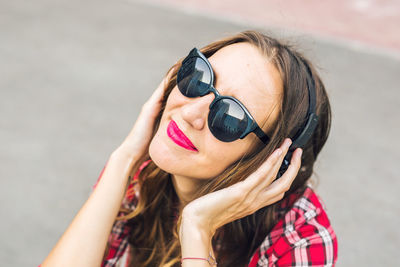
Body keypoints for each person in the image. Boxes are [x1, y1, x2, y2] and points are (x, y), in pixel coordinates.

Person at [40, 30, 337, 267]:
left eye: (230, 117)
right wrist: (124, 157)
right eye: (198, 77)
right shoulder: (139, 173)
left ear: (270, 160)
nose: (191, 113)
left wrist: (198, 229)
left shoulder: (301, 238)